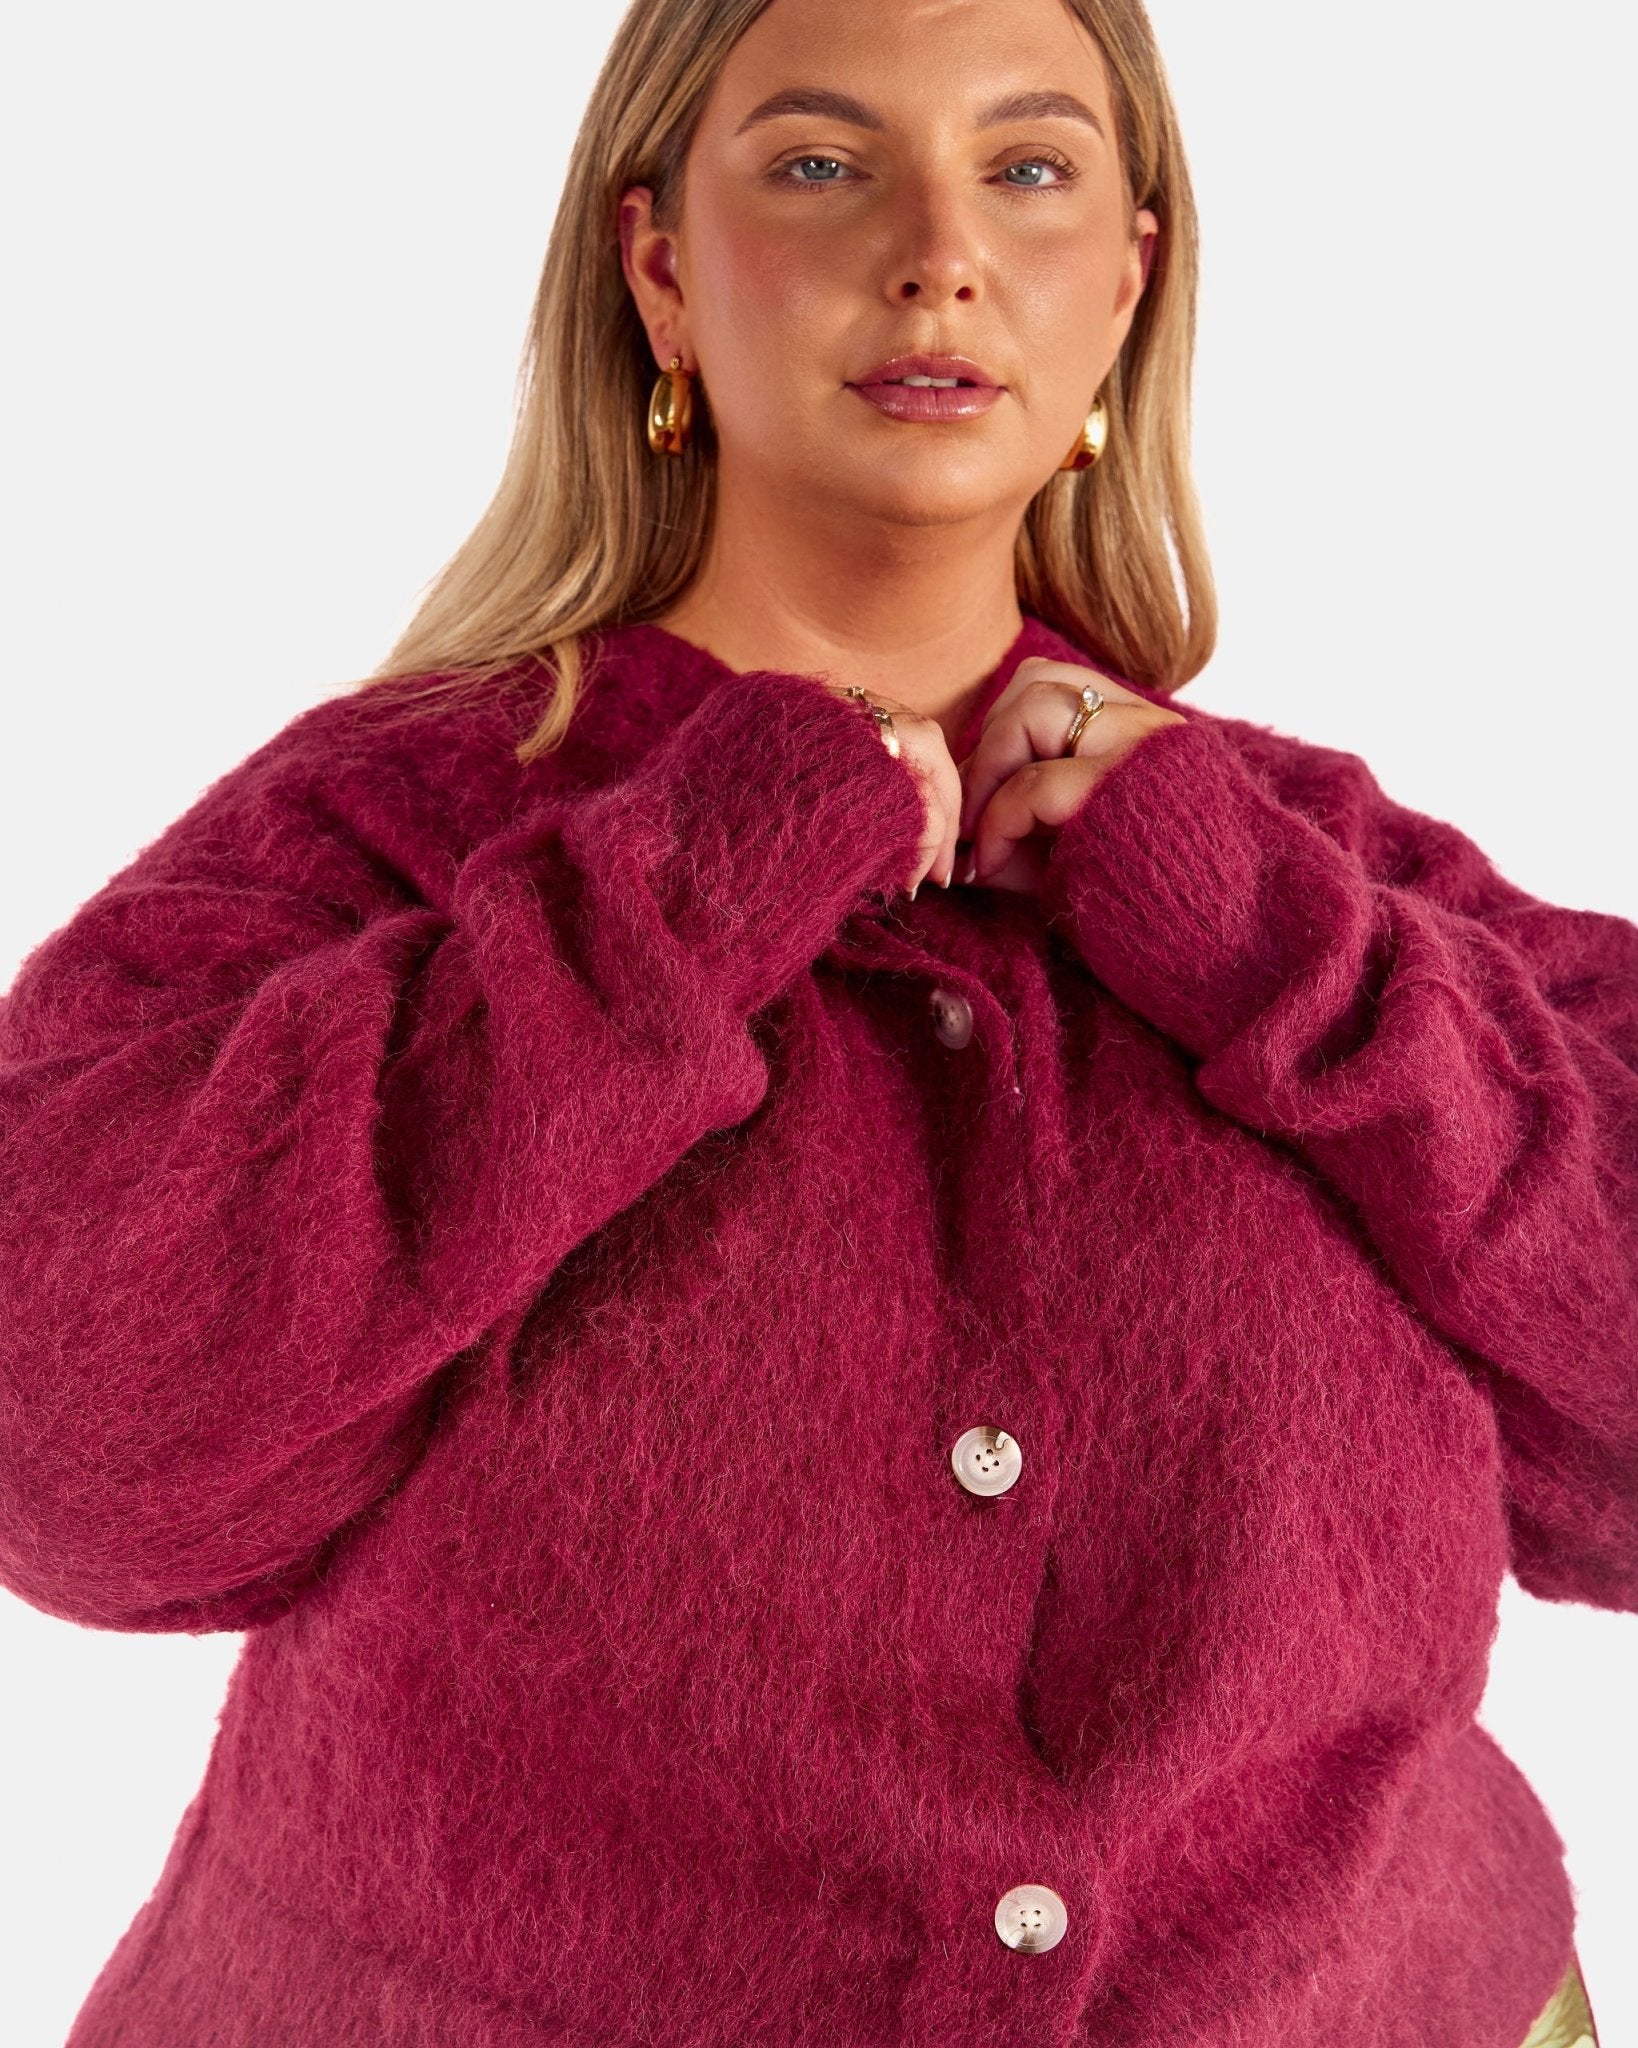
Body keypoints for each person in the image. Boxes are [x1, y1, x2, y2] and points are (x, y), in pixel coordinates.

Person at [0, 1, 1627, 2042]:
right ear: (661, 270)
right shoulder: (381, 834)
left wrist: (1270, 938)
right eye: (821, 165)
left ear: (1129, 281)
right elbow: (76, 1468)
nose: (938, 252)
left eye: (1027, 170)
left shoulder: (1315, 874)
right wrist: (710, 869)